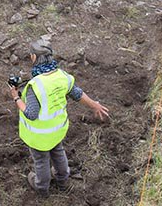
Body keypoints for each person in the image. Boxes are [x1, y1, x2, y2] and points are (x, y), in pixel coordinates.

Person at [7, 39, 110, 196]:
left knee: (41, 161)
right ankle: (62, 179)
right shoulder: (62, 77)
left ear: (33, 57)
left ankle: (41, 187)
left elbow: (31, 114)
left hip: (39, 136)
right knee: (58, 152)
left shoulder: (35, 86)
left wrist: (16, 98)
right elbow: (77, 93)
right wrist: (95, 105)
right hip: (57, 130)